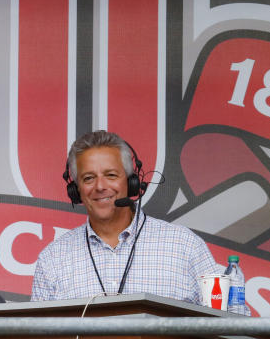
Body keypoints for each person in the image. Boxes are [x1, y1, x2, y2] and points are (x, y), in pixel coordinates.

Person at [30, 130, 225, 307]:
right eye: (89, 178)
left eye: (111, 175)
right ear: (75, 190)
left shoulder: (185, 245)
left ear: (132, 182)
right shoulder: (53, 259)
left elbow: (232, 321)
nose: (100, 186)